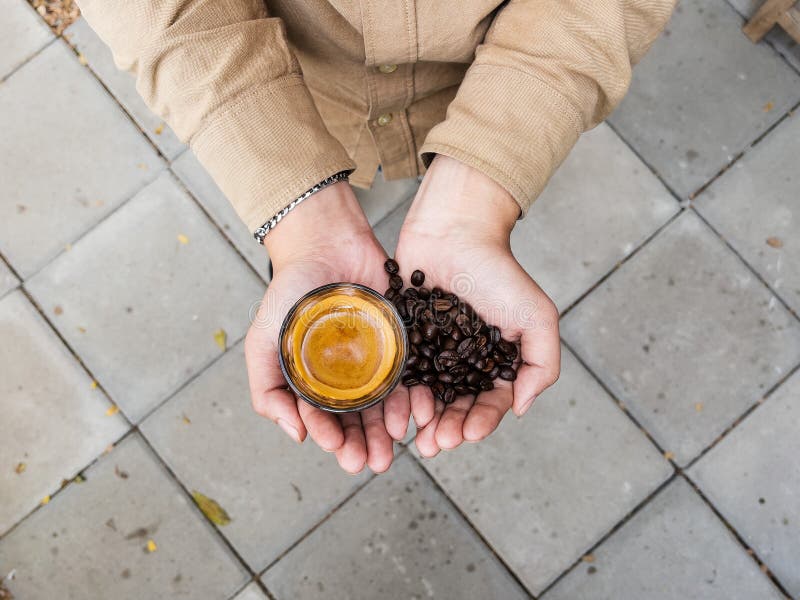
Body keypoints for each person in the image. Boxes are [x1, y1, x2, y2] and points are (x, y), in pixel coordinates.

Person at [76, 0, 676, 474]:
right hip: (299, 85)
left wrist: (481, 186)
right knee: (339, 189)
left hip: (485, 77)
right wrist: (300, 213)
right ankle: (337, 196)